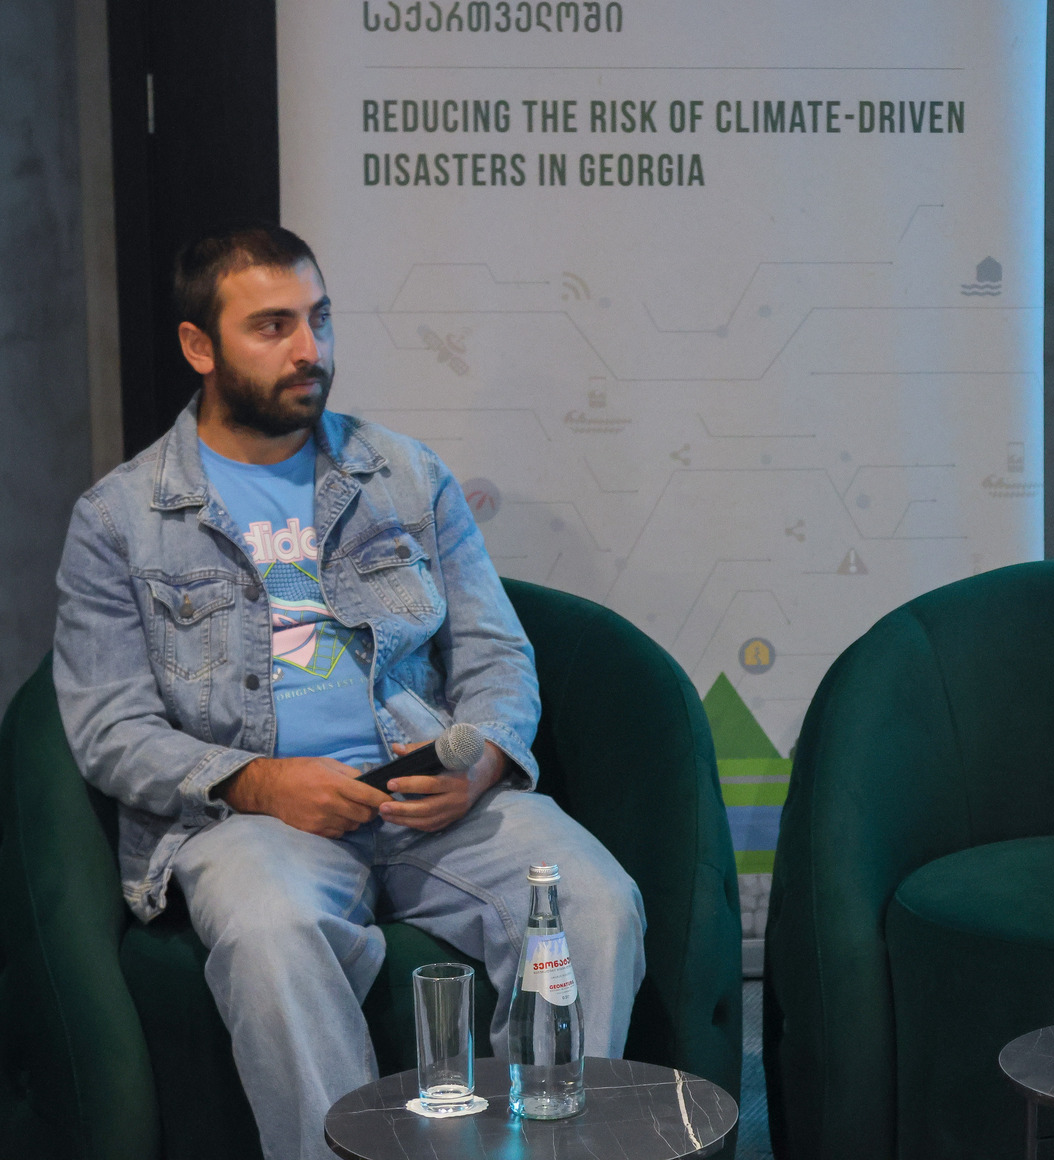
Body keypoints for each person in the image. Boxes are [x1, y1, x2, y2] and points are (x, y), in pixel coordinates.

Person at [53, 223, 646, 1160]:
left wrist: (480, 764)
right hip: (252, 822)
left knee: (597, 903)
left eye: (319, 319)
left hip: (428, 802)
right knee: (271, 931)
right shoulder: (120, 519)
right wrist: (258, 781)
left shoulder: (403, 475)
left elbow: (497, 654)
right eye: (273, 326)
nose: (309, 349)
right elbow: (110, 727)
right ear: (199, 346)